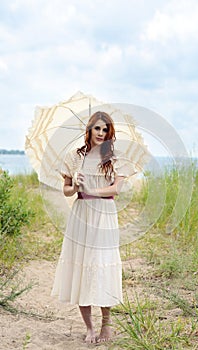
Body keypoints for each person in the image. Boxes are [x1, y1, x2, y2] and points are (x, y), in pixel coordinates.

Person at [51, 111, 135, 343]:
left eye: (105, 129)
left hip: (104, 215)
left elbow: (115, 189)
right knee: (82, 266)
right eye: (97, 128)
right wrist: (75, 185)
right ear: (89, 130)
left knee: (102, 266)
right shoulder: (74, 157)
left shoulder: (116, 157)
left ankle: (106, 325)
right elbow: (66, 190)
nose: (101, 133)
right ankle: (89, 327)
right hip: (81, 215)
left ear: (110, 132)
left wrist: (92, 191)